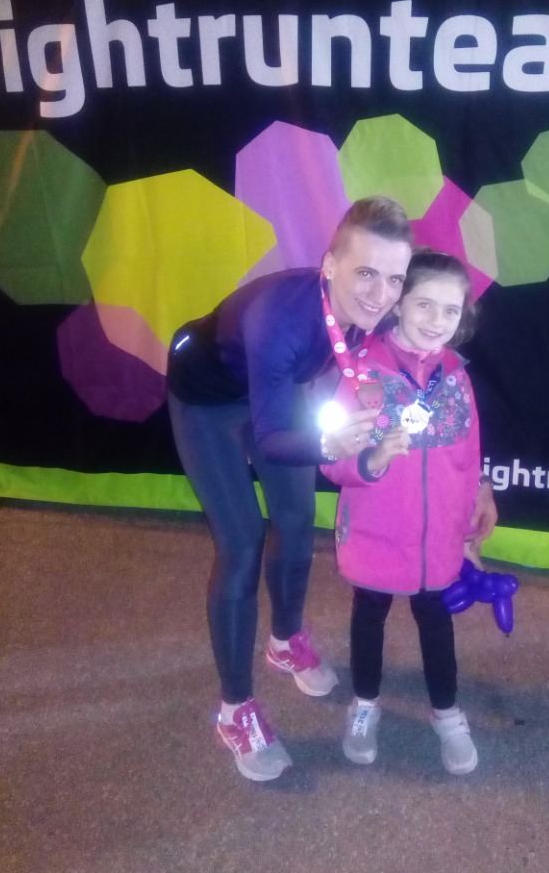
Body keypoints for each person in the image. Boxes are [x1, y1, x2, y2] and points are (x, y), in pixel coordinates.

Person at [166, 196, 414, 781]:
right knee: (242, 544)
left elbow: (421, 346)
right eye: (366, 273)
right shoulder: (279, 320)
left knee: (298, 520)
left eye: (395, 279)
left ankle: (284, 640)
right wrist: (329, 444)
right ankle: (235, 710)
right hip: (207, 398)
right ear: (330, 265)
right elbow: (274, 438)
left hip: (276, 390)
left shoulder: (374, 309)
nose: (381, 295)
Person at [320, 249, 498, 776]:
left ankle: (447, 713)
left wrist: (479, 495)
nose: (436, 321)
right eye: (424, 305)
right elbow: (331, 456)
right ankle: (364, 704)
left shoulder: (457, 376)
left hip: (438, 534)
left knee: (435, 618)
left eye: (450, 310)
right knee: (369, 613)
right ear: (397, 303)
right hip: (376, 528)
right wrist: (371, 461)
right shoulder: (361, 372)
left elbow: (468, 449)